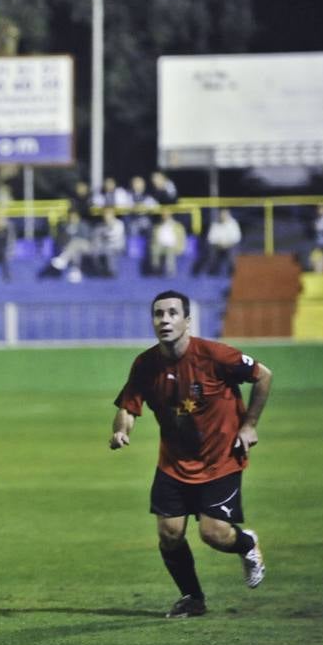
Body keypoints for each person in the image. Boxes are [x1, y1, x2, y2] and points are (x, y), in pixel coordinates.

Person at [110, 290, 272, 618]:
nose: (165, 320)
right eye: (158, 314)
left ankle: (246, 544)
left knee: (214, 534)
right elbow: (128, 407)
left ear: (187, 320)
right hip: (173, 463)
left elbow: (263, 375)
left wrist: (249, 425)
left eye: (172, 313)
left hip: (220, 459)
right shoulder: (145, 364)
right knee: (169, 534)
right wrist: (121, 430)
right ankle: (192, 598)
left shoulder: (215, 356)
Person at [198, 208, 242, 277]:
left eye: (225, 214)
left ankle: (232, 271)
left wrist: (227, 244)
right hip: (218, 245)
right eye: (221, 214)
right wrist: (220, 244)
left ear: (228, 214)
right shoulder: (215, 224)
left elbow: (236, 238)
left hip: (230, 245)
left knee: (233, 251)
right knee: (211, 250)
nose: (223, 216)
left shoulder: (233, 223)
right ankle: (213, 271)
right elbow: (211, 238)